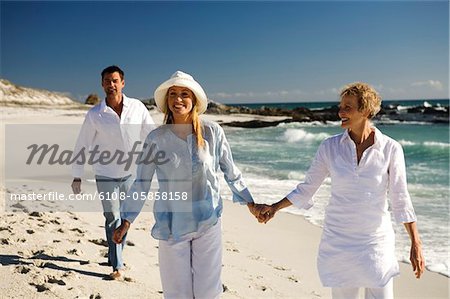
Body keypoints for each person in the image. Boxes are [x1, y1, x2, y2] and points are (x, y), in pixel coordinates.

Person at [258, 82, 425, 299]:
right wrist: (274, 207)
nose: (340, 112)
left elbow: (400, 198)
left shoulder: (390, 148)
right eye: (341, 106)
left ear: (366, 110)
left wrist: (416, 243)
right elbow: (307, 188)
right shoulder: (329, 147)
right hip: (339, 242)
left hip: (375, 242)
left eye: (348, 107)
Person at [112, 71, 262, 298]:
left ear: (194, 101)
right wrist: (126, 220)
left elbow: (231, 172)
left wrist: (250, 202)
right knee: (176, 292)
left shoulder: (212, 132)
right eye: (173, 94)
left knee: (207, 291)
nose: (178, 99)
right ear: (166, 101)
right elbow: (142, 182)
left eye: (184, 94)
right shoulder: (156, 138)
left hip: (208, 220)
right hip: (172, 223)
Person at [71, 65, 154, 280]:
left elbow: (152, 136)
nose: (111, 84)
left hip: (131, 173)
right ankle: (117, 265)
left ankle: (113, 253)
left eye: (115, 80)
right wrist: (77, 174)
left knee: (125, 218)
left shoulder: (137, 107)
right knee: (112, 217)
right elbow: (83, 143)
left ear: (123, 83)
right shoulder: (95, 114)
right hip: (105, 173)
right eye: (107, 81)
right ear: (102, 84)